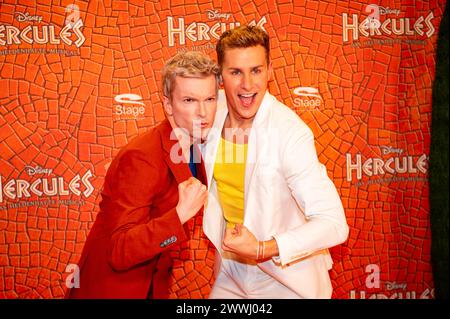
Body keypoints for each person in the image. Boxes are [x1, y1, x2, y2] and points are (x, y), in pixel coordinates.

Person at [201, 26, 349, 298]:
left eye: (256, 70)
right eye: (236, 72)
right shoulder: (211, 110)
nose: (247, 85)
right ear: (220, 76)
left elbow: (334, 223)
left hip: (286, 277)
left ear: (270, 71)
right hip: (232, 270)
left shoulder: (290, 132)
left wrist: (262, 248)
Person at [66, 51, 220, 298]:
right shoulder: (142, 157)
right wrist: (180, 214)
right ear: (168, 105)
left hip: (150, 285)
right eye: (190, 100)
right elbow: (119, 251)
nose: (203, 112)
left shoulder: (193, 149)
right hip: (113, 290)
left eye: (210, 99)